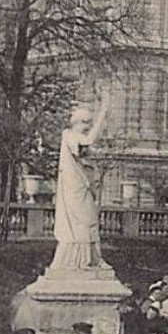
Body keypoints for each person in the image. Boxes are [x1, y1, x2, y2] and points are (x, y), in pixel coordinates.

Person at [48, 90, 113, 272]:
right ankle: (80, 261)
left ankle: (93, 258)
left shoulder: (76, 139)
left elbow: (89, 152)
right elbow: (89, 141)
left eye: (89, 123)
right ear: (77, 122)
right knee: (82, 223)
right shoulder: (69, 135)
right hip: (74, 190)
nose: (88, 126)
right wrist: (103, 112)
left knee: (90, 220)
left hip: (82, 188)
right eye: (86, 122)